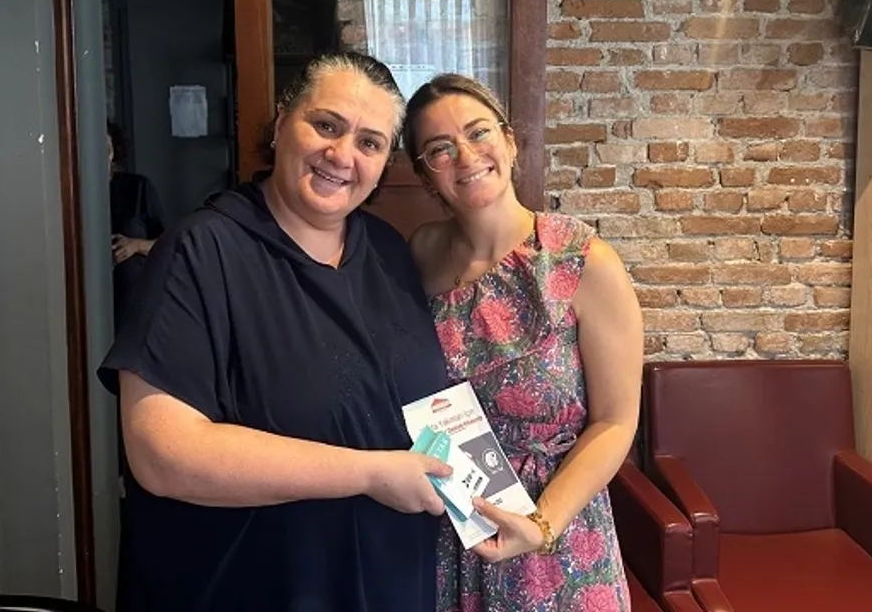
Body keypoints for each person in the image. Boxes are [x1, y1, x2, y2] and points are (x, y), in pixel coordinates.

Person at [98, 51, 454, 612]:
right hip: (251, 587)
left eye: (369, 143)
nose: (342, 155)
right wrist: (369, 474)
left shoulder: (388, 252)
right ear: (283, 121)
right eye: (327, 125)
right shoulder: (200, 252)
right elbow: (162, 453)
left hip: (389, 581)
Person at [403, 74, 644, 612]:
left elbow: (615, 421)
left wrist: (542, 523)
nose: (466, 156)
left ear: (509, 141)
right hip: (452, 534)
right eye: (439, 149)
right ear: (425, 176)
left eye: (478, 132)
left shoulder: (582, 260)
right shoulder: (419, 255)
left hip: (556, 539)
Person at [107, 122, 165, 330]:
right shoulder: (73, 191)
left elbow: (168, 245)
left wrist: (136, 245)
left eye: (107, 149)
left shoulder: (137, 187)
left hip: (133, 304)